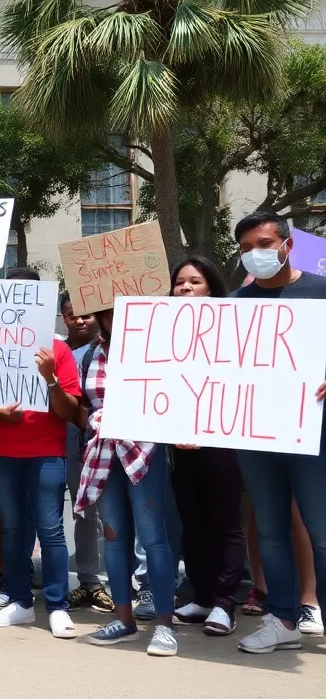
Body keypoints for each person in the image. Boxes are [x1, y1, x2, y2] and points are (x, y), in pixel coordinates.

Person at [228, 211, 326, 654]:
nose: (256, 254)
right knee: (269, 531)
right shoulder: (233, 307)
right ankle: (282, 618)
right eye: (247, 248)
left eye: (264, 244)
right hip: (256, 437)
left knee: (322, 531)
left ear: (287, 244)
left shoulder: (322, 292)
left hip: (313, 436)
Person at [0, 268, 80, 638]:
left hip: (46, 452)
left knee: (51, 529)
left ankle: (57, 606)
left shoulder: (59, 350)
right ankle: (20, 601)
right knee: (11, 528)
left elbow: (69, 412)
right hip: (2, 451)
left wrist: (51, 377)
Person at [75, 307, 178, 656]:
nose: (114, 315)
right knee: (114, 537)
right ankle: (124, 620)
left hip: (144, 452)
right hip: (105, 454)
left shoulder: (157, 349)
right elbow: (85, 406)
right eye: (107, 310)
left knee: (153, 538)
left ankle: (164, 625)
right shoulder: (93, 353)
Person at [161, 256, 246, 637]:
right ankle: (202, 595)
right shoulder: (162, 331)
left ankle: (226, 603)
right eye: (180, 282)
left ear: (211, 286)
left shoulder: (233, 329)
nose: (186, 288)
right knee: (192, 523)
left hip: (222, 440)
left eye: (194, 282)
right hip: (179, 443)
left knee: (226, 523)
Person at [58, 291, 110, 613]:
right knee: (83, 512)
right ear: (63, 317)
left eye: (85, 314)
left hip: (102, 441)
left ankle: (119, 584)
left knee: (111, 513)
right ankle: (89, 581)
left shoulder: (108, 351)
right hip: (63, 442)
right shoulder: (54, 350)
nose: (79, 320)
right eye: (71, 314)